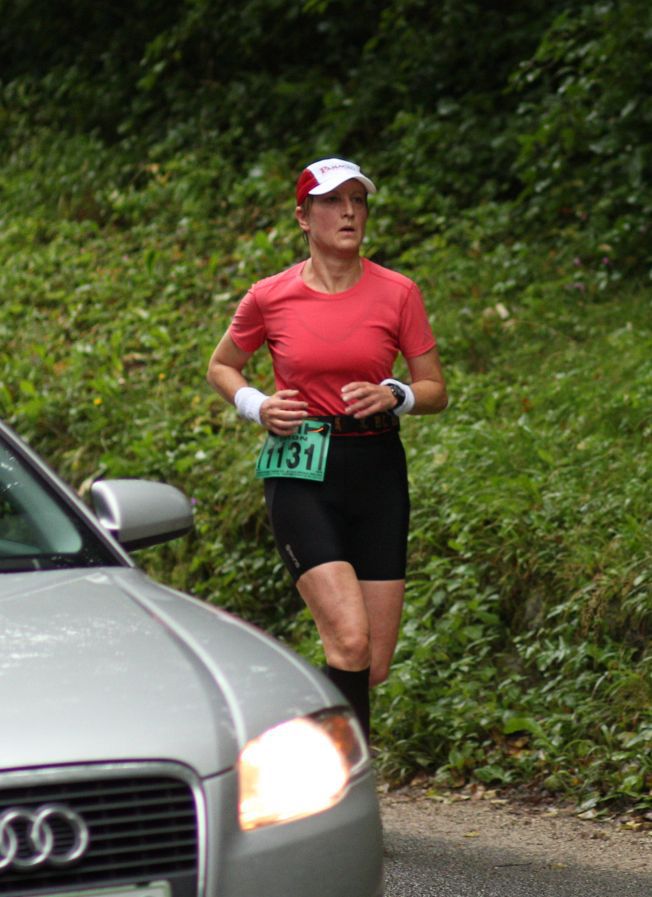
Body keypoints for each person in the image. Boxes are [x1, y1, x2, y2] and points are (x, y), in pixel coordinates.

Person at [206, 157, 447, 741]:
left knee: (373, 663)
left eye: (357, 201)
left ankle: (292, 730)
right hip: (302, 468)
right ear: (303, 217)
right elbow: (222, 366)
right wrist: (256, 405)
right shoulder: (269, 296)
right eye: (333, 202)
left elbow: (435, 389)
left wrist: (396, 394)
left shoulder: (398, 293)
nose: (348, 213)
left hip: (377, 470)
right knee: (348, 640)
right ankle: (345, 789)